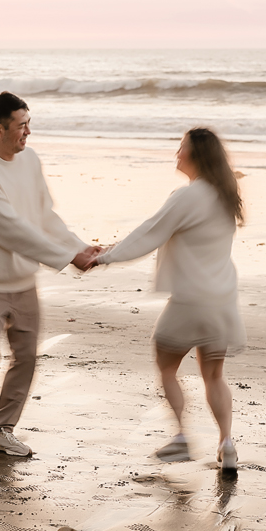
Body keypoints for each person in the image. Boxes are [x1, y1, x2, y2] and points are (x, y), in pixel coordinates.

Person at [0, 91, 99, 457]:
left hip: (23, 282)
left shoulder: (29, 161)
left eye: (30, 124)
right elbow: (11, 228)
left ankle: (0, 429)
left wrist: (79, 246)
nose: (28, 133)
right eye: (21, 126)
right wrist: (68, 257)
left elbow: (43, 215)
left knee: (26, 358)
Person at [87, 127, 246, 470]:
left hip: (190, 301)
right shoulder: (225, 195)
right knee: (214, 376)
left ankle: (181, 437)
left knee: (166, 365)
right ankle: (226, 443)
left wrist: (104, 257)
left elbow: (149, 232)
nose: (177, 154)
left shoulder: (187, 196)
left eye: (181, 148)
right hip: (221, 301)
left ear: (196, 156)